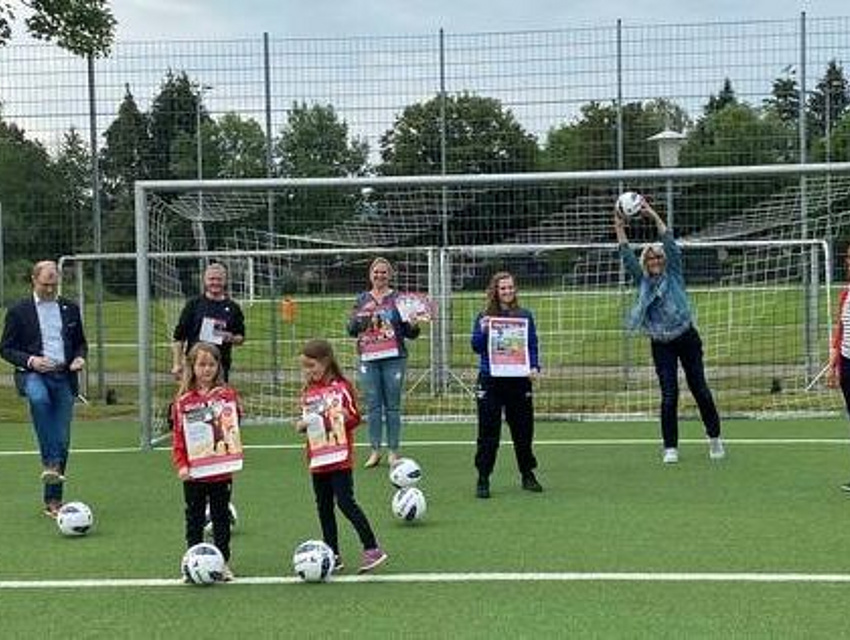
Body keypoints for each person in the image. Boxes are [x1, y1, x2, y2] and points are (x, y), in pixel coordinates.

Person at [614, 197, 725, 464]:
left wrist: (652, 215)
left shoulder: (673, 273)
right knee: (668, 393)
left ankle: (714, 438)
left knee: (699, 387)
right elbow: (626, 253)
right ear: (645, 263)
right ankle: (670, 447)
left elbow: (669, 243)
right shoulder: (642, 281)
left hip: (686, 336)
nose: (654, 259)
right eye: (649, 257)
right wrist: (619, 226)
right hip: (661, 342)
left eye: (657, 256)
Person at [1, 260, 87, 518]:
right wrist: (31, 361)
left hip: (63, 376)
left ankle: (53, 500)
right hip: (33, 374)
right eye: (45, 284)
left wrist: (80, 358)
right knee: (38, 398)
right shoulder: (18, 310)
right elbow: (5, 347)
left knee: (62, 441)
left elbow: (81, 343)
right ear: (33, 280)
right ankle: (49, 463)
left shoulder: (70, 308)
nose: (50, 289)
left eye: (54, 283)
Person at [295, 338, 388, 574]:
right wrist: (301, 425)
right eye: (304, 367)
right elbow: (307, 422)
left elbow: (355, 417)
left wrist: (345, 416)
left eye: (311, 366)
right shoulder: (309, 392)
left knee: (345, 502)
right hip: (317, 458)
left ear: (325, 362)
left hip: (338, 457)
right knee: (323, 507)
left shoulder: (341, 388)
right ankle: (332, 554)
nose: (308, 371)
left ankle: (372, 548)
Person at [171, 342, 241, 582]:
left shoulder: (227, 394)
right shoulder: (183, 401)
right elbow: (179, 438)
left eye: (212, 364)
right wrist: (182, 465)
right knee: (194, 517)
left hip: (221, 470)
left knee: (221, 517)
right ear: (192, 366)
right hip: (195, 471)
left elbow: (234, 426)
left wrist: (226, 408)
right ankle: (193, 560)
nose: (207, 369)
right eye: (202, 364)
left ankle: (222, 563)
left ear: (218, 366)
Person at [470, 271, 542, 499]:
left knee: (523, 431)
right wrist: (482, 330)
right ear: (495, 291)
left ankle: (527, 474)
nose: (507, 291)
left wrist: (535, 367)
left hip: (519, 380)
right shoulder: (484, 316)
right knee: (488, 433)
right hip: (491, 381)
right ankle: (483, 477)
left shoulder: (524, 316)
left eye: (511, 287)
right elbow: (476, 346)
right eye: (503, 288)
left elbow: (531, 345)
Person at [346, 257, 420, 468]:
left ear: (390, 275)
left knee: (393, 406)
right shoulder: (361, 299)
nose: (380, 276)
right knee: (373, 405)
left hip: (394, 358)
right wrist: (362, 316)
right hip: (369, 359)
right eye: (376, 272)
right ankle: (375, 449)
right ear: (370, 275)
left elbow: (410, 333)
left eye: (384, 272)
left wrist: (413, 324)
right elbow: (351, 330)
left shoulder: (399, 299)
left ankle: (393, 451)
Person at [172, 263, 245, 383]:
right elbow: (178, 338)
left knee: (218, 400)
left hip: (220, 367)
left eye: (219, 279)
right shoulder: (193, 305)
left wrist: (230, 338)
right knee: (192, 400)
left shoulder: (233, 308)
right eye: (211, 279)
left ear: (225, 281)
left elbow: (241, 338)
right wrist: (177, 364)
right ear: (204, 281)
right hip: (194, 366)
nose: (215, 283)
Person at [827, 244, 850, 491]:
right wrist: (835, 354)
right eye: (848, 258)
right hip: (847, 362)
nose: (848, 262)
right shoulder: (846, 294)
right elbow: (842, 327)